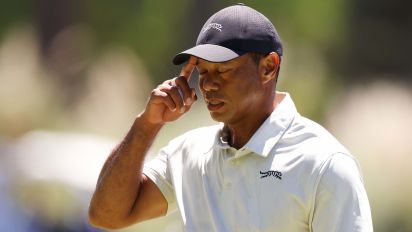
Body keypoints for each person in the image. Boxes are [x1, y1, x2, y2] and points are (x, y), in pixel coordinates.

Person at [88, 4, 373, 232]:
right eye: (203, 71)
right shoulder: (189, 153)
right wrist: (147, 124)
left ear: (268, 67)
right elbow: (107, 216)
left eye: (223, 71)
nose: (208, 84)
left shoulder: (325, 164)